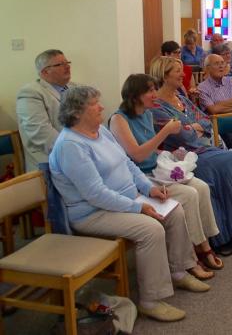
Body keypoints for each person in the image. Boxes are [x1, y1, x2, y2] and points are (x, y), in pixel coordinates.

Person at [49, 85, 209, 323]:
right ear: (77, 112)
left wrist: (149, 189)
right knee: (150, 229)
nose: (101, 106)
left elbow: (128, 164)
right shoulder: (71, 145)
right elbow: (95, 194)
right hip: (93, 213)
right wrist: (138, 207)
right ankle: (151, 300)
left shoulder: (100, 132)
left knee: (174, 210)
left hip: (125, 198)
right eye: (95, 104)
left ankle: (179, 270)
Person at [149, 56, 232, 254]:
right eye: (177, 71)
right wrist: (194, 128)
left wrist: (194, 127)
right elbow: (183, 135)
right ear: (164, 75)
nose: (183, 74)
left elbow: (205, 121)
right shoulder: (158, 108)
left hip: (205, 149)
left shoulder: (181, 98)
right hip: (187, 156)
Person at [109, 74, 223, 278]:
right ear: (135, 95)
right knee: (189, 195)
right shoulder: (119, 119)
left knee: (202, 187)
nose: (155, 94)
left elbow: (150, 150)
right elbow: (136, 155)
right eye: (150, 91)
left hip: (156, 169)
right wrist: (165, 133)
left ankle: (202, 243)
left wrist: (168, 153)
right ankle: (195, 254)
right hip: (141, 177)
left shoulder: (146, 114)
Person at [16, 49, 75, 172]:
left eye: (67, 62)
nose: (67, 67)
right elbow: (41, 134)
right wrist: (78, 151)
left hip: (80, 154)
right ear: (44, 72)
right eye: (60, 64)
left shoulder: (76, 88)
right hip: (51, 161)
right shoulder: (30, 93)